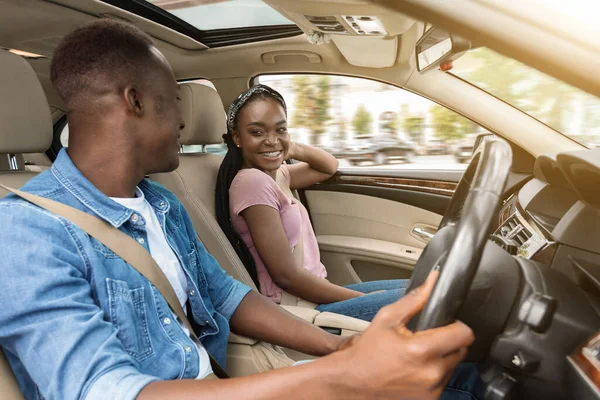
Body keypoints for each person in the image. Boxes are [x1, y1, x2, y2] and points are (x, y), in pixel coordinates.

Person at [0, 20, 483, 400]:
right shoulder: (26, 232)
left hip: (222, 382)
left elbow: (227, 296)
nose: (185, 119)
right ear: (136, 102)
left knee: (464, 375)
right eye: (172, 101)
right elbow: (104, 391)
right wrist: (338, 377)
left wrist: (339, 348)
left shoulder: (159, 201)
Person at [216, 84, 407, 322]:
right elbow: (286, 276)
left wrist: (288, 147)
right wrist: (356, 298)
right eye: (257, 133)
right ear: (237, 138)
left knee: (420, 285)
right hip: (299, 308)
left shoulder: (276, 175)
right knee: (425, 297)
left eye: (280, 129)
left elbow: (328, 166)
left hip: (313, 295)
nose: (271, 140)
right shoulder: (252, 183)